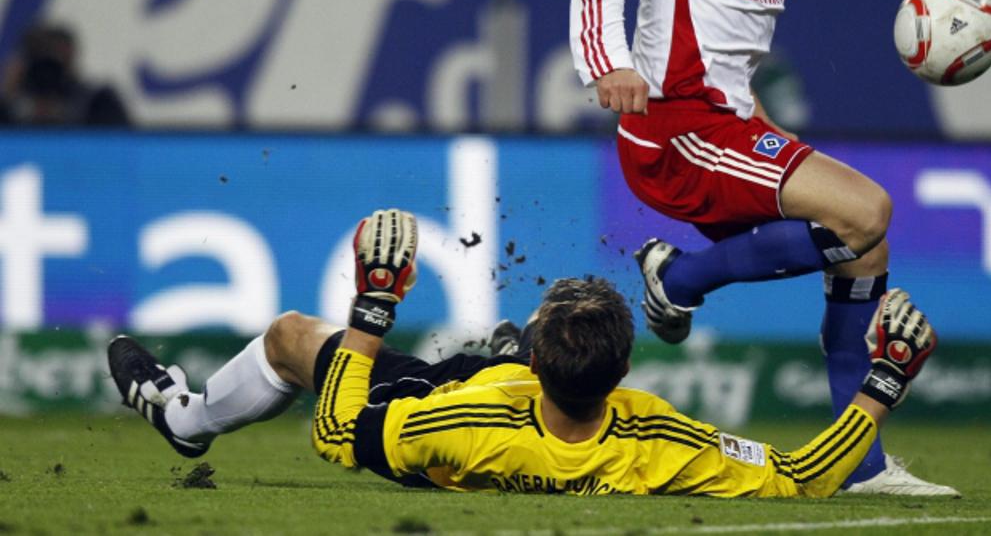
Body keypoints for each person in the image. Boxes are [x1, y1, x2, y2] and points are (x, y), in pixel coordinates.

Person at [568, 0, 954, 495]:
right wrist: (607, 60)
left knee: (864, 252)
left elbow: (720, 51)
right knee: (867, 210)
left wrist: (758, 118)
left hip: (725, 125)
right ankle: (675, 277)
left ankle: (860, 465)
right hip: (677, 133)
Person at [108, 208, 942, 497]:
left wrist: (372, 308)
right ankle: (502, 345)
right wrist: (881, 382)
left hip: (461, 416)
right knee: (486, 360)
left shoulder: (457, 418)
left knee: (293, 336)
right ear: (624, 379)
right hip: (518, 401)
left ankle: (185, 419)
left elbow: (336, 429)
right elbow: (800, 473)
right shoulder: (655, 440)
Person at [0, 23, 130, 126]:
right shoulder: (9, 109)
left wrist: (67, 112)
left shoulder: (98, 104)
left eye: (54, 64)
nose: (46, 74)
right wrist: (8, 97)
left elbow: (123, 147)